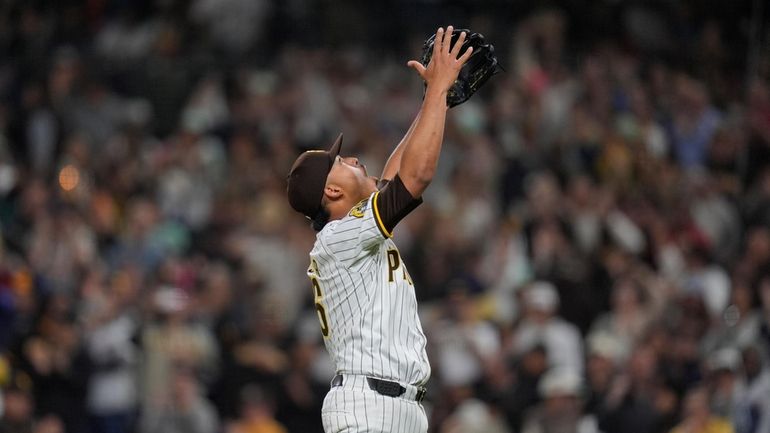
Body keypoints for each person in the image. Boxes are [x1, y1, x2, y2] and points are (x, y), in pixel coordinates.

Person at [286, 26, 474, 433]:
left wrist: (430, 104)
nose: (353, 158)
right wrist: (438, 92)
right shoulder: (339, 238)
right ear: (332, 190)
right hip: (368, 407)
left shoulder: (351, 234)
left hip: (391, 406)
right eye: (341, 162)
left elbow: (393, 177)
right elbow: (414, 179)